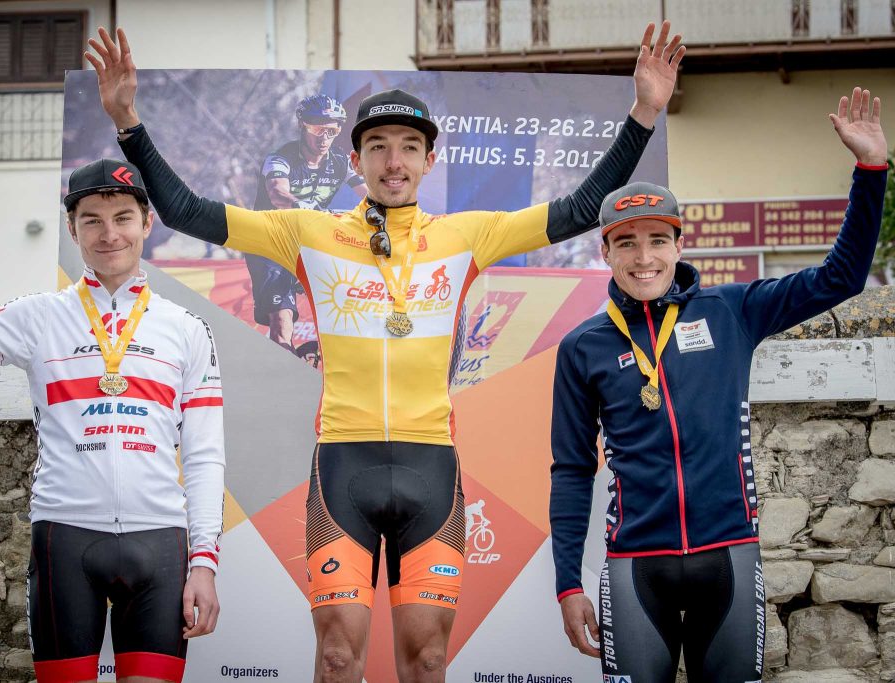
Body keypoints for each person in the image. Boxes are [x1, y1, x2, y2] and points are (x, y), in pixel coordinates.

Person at [85, 21, 683, 682]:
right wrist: (127, 120)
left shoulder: (469, 235)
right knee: (338, 655)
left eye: (408, 147)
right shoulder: (307, 232)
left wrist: (644, 112)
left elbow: (581, 208)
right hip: (344, 464)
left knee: (427, 660)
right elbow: (185, 210)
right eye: (377, 146)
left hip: (432, 467)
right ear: (355, 161)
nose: (393, 161)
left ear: (430, 160)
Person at [550, 88, 887, 682]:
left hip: (729, 555)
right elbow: (573, 469)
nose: (644, 257)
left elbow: (842, 278)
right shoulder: (583, 346)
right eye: (626, 242)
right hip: (635, 565)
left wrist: (870, 170)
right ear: (605, 252)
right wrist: (567, 584)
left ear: (680, 244)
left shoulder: (733, 310)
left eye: (658, 240)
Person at [0, 158, 227, 683]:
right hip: (65, 538)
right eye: (92, 220)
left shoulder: (188, 329)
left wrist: (204, 564)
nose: (109, 234)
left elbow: (204, 456)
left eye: (123, 218)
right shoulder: (35, 316)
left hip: (161, 544)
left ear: (147, 223)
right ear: (72, 229)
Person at [246, 93, 367, 355]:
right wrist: (303, 206)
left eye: (332, 131)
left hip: (309, 245)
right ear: (303, 126)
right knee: (282, 323)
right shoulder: (280, 159)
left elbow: (370, 194)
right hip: (270, 245)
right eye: (317, 129)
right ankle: (283, 369)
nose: (324, 138)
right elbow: (278, 193)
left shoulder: (341, 162)